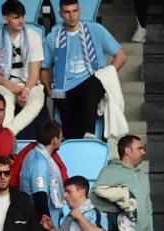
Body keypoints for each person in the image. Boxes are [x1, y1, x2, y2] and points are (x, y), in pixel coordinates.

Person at [42, 0, 128, 141]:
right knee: (71, 130)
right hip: (65, 88)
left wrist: (108, 74)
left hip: (91, 82)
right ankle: (74, 141)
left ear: (80, 11)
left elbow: (121, 56)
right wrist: (48, 88)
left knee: (93, 83)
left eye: (75, 11)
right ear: (60, 14)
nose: (72, 16)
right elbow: (45, 68)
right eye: (67, 12)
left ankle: (90, 132)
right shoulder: (52, 38)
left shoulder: (96, 30)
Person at [0, 1, 48, 134]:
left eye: (22, 17)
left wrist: (27, 89)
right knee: (4, 102)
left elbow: (35, 72)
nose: (21, 21)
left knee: (36, 100)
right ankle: (5, 139)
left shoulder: (33, 37)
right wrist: (7, 83)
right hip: (4, 83)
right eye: (16, 17)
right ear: (5, 18)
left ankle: (8, 133)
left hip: (29, 84)